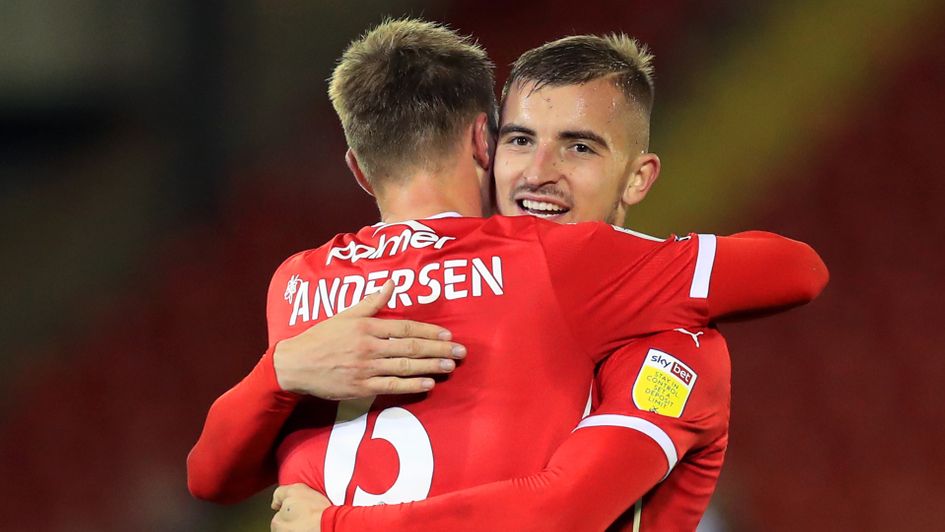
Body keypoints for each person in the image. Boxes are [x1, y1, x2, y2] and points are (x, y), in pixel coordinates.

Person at [185, 19, 827, 530]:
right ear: (485, 144)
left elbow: (211, 478)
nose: (538, 172)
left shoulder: (300, 280)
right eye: (520, 140)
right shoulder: (536, 264)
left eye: (579, 146)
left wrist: (331, 517)